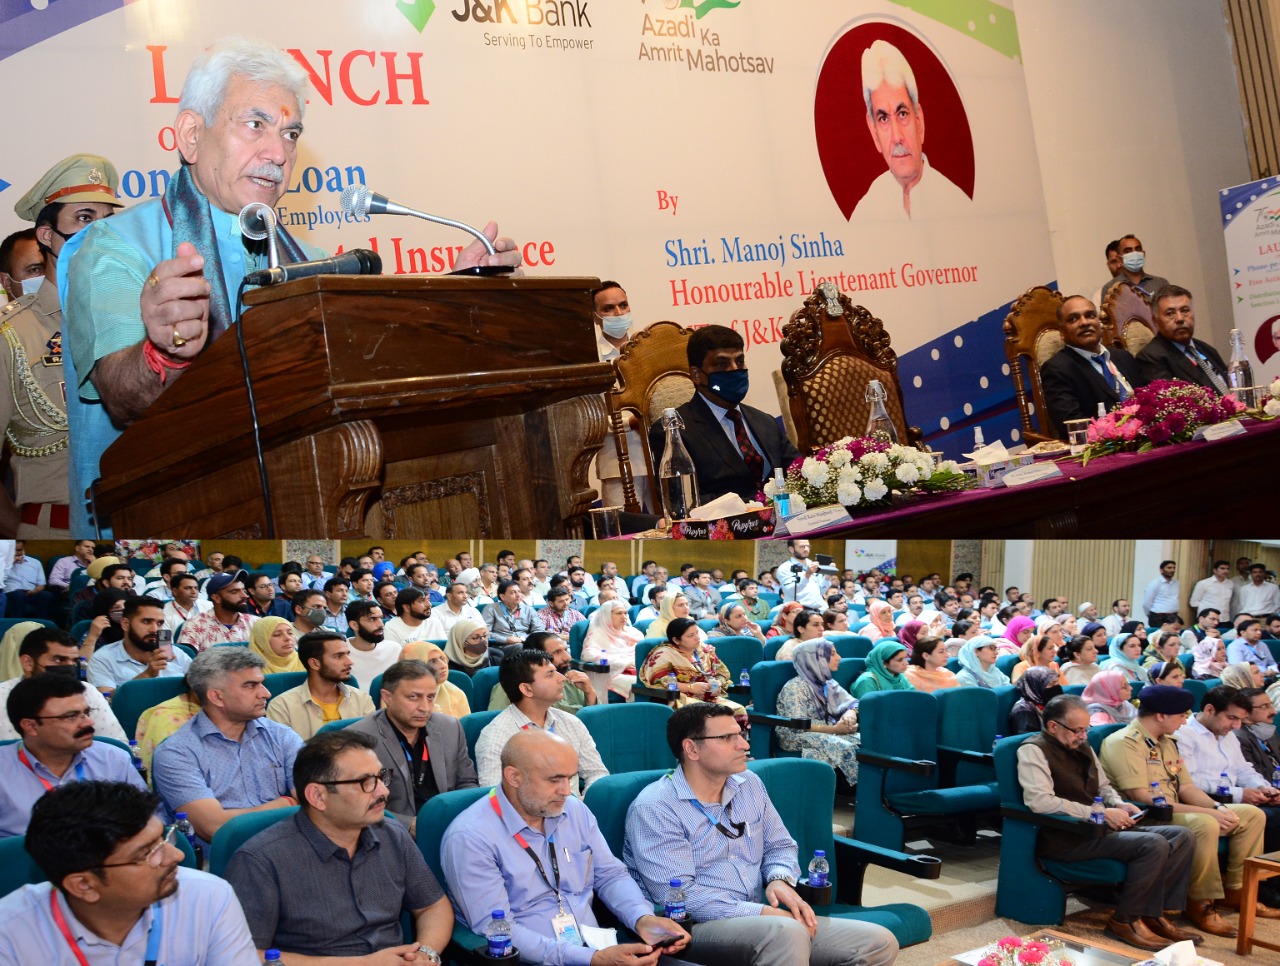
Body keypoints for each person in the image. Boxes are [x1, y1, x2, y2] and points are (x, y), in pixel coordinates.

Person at [61, 39, 520, 537]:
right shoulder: (114, 246)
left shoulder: (312, 263)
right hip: (164, 528)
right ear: (191, 136)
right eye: (255, 124)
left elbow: (374, 364)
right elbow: (122, 399)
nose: (279, 154)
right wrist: (164, 351)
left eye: (291, 133)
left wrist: (462, 293)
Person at [624, 703, 899, 966]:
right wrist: (763, 912)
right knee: (785, 932)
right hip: (693, 929)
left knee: (878, 942)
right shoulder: (655, 807)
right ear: (691, 749)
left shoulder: (749, 784)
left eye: (741, 734)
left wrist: (779, 879)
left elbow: (780, 845)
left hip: (760, 921)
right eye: (727, 738)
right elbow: (680, 894)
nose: (744, 745)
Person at [442, 729, 689, 965]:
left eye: (570, 778)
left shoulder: (573, 810)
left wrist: (641, 918)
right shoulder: (471, 837)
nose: (566, 791)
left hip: (596, 947)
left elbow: (610, 875)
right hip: (535, 959)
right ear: (514, 777)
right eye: (555, 780)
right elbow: (499, 930)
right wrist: (590, 959)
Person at [224, 730, 453, 962]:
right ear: (317, 796)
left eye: (381, 777)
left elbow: (433, 906)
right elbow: (244, 956)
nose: (384, 791)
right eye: (366, 782)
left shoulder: (392, 835)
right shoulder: (260, 861)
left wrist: (425, 954)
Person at [1017, 695, 1200, 951]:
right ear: (1053, 726)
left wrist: (1118, 804)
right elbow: (1040, 802)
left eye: (1086, 729)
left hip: (1099, 828)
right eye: (1077, 730)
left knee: (1182, 836)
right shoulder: (1033, 750)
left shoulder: (1082, 744)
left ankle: (1152, 913)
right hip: (1067, 836)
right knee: (1153, 843)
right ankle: (1124, 921)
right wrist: (1099, 813)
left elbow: (1103, 786)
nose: (1083, 736)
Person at [0, 780, 257, 963]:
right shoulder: (10, 935)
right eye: (147, 853)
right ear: (84, 885)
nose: (177, 856)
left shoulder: (209, 896)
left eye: (164, 838)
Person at [1, 156, 123, 537]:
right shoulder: (12, 335)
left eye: (107, 220)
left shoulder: (131, 320)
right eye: (84, 218)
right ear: (46, 234)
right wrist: (19, 535)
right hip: (51, 531)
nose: (98, 232)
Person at [1100, 685, 1268, 936]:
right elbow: (1142, 797)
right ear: (1161, 715)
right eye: (1181, 715)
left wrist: (1218, 807)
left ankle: (1238, 890)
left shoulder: (1168, 742)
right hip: (1147, 816)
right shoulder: (1124, 743)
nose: (1184, 721)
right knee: (1205, 823)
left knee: (1252, 815)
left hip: (1174, 808)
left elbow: (1187, 787)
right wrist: (1210, 814)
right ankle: (1200, 901)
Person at [151, 647, 302, 844]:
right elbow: (215, 828)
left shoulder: (281, 736)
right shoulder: (176, 753)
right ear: (217, 697)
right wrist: (287, 803)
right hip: (223, 857)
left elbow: (316, 802)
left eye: (262, 684)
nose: (265, 693)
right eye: (250, 686)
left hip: (288, 846)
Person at [649, 324, 800, 505]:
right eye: (722, 364)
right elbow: (681, 501)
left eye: (740, 361)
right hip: (730, 521)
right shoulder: (674, 431)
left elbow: (798, 473)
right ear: (696, 375)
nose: (734, 370)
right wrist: (751, 507)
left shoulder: (765, 421)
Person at [0, 674, 147, 837]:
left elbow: (149, 820)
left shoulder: (113, 760)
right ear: (31, 727)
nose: (88, 723)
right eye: (71, 716)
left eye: (87, 712)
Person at [347, 658, 477, 832]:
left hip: (450, 826)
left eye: (430, 697)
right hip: (390, 832)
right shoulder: (357, 739)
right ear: (387, 697)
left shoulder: (450, 727)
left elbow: (467, 783)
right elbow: (355, 802)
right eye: (414, 697)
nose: (425, 707)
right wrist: (407, 825)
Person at [853, 39, 968, 222]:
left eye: (902, 114)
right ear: (874, 133)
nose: (897, 137)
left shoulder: (958, 205)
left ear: (919, 122)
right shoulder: (865, 213)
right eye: (884, 119)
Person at [475, 649, 609, 794]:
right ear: (527, 689)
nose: (562, 678)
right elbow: (495, 795)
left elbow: (596, 773)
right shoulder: (496, 736)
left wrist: (582, 803)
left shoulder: (571, 722)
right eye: (550, 674)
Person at [1176, 686, 1280, 852]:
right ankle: (1259, 868)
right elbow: (1190, 782)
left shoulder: (1228, 735)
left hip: (1233, 799)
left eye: (1240, 720)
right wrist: (1239, 793)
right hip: (1204, 801)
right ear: (1210, 710)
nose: (1237, 726)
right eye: (1232, 718)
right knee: (1273, 817)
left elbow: (1243, 770)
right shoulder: (1184, 734)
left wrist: (1263, 788)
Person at [0, 625, 125, 742]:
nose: (69, 667)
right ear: (28, 663)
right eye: (59, 660)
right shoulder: (2, 695)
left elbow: (116, 743)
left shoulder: (88, 692)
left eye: (74, 661)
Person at [1040, 295, 1144, 437]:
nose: (1084, 322)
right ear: (1062, 333)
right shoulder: (1057, 369)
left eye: (1090, 315)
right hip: (1110, 445)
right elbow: (1073, 426)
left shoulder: (1123, 357)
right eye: (1073, 319)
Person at [775, 641, 859, 784]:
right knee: (844, 746)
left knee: (862, 740)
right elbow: (798, 724)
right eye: (832, 654)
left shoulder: (828, 683)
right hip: (795, 735)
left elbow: (852, 703)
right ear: (815, 659)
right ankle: (854, 786)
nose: (839, 658)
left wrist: (850, 714)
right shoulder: (795, 687)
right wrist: (836, 730)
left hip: (826, 729)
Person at [266, 630, 374, 740]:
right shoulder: (282, 707)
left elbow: (373, 742)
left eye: (348, 654)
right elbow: (282, 750)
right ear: (314, 663)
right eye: (338, 656)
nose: (349, 662)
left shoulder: (362, 699)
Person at [639, 616, 746, 725]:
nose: (697, 638)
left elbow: (721, 672)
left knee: (739, 710)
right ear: (676, 640)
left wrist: (718, 684)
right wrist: (690, 687)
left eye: (697, 633)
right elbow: (659, 681)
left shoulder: (704, 650)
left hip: (709, 698)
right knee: (711, 716)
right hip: (680, 699)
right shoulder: (664, 654)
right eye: (690, 635)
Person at [1135, 286, 1231, 394]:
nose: (1180, 319)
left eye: (1185, 311)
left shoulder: (1206, 349)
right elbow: (1173, 399)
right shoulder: (1151, 358)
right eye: (1170, 313)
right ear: (1155, 321)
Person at [87, 595, 192, 692]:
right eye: (146, 622)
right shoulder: (103, 659)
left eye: (159, 623)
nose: (154, 629)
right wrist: (147, 675)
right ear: (125, 624)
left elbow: (198, 685)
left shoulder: (174, 653)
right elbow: (106, 699)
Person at [177, 572, 258, 651]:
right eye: (234, 592)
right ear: (216, 598)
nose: (245, 595)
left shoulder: (255, 623)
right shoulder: (195, 624)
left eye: (244, 591)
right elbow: (187, 658)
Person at [580, 599, 642, 702]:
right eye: (619, 613)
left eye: (625, 613)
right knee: (639, 684)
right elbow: (588, 655)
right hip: (612, 673)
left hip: (638, 670)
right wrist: (623, 663)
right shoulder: (598, 633)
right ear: (607, 615)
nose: (624, 617)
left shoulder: (635, 633)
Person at [401, 641, 473, 718]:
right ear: (414, 667)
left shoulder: (456, 694)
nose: (443, 665)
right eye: (433, 661)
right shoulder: (397, 698)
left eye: (442, 658)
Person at [343, 599, 402, 687]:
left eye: (381, 618)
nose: (381, 624)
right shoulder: (341, 653)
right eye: (372, 619)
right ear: (354, 625)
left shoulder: (394, 649)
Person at [1099, 235, 1170, 304]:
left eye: (1138, 249)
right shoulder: (1110, 288)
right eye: (1128, 251)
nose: (1134, 253)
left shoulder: (1161, 284)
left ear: (1143, 254)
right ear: (1119, 259)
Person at [1008, 666, 1063, 735]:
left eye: (1057, 683)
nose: (1056, 687)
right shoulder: (1023, 709)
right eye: (1052, 684)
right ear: (1036, 685)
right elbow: (1029, 738)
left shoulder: (1046, 702)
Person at [1190, 560, 1236, 625]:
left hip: (1224, 619)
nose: (1225, 571)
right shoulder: (1204, 583)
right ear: (1215, 570)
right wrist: (1205, 615)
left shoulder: (1230, 584)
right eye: (1222, 568)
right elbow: (1194, 603)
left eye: (1227, 569)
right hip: (1208, 620)